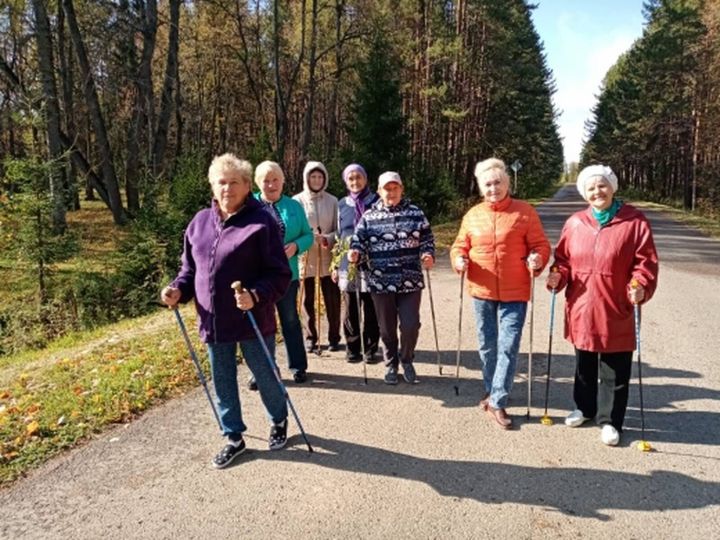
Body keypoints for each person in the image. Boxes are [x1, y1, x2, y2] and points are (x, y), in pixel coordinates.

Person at [160, 153, 291, 469]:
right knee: (222, 379)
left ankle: (279, 419)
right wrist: (177, 289)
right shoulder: (199, 222)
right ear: (212, 185)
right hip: (213, 319)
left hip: (251, 317)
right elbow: (190, 270)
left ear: (247, 186)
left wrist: (256, 295)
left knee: (264, 373)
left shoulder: (262, 222)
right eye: (222, 182)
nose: (227, 188)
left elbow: (279, 274)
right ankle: (234, 436)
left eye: (234, 182)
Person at [546, 164, 659, 446]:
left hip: (616, 306)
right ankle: (584, 408)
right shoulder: (575, 223)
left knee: (615, 370)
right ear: (585, 193)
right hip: (582, 306)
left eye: (602, 185)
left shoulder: (635, 222)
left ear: (612, 187)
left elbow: (645, 263)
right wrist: (557, 275)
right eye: (591, 188)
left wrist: (640, 284)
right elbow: (563, 260)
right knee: (584, 365)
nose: (598, 191)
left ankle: (610, 421)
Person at [450, 158, 550, 429]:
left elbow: (541, 245)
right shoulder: (473, 215)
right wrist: (459, 259)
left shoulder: (524, 212)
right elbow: (459, 246)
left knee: (508, 346)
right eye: (488, 184)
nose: (493, 188)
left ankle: (497, 400)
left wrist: (537, 259)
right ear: (481, 188)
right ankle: (491, 388)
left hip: (515, 290)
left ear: (507, 184)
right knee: (487, 345)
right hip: (481, 289)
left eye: (497, 183)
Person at [349, 171, 435, 385]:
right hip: (380, 281)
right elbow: (358, 240)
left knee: (410, 324)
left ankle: (406, 359)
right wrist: (355, 252)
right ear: (379, 191)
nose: (391, 192)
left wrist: (428, 254)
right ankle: (391, 364)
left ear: (401, 189)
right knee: (386, 327)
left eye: (395, 187)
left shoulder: (415, 213)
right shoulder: (369, 216)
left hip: (410, 280)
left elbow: (427, 238)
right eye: (387, 188)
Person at [254, 160, 314, 383]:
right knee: (261, 324)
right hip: (257, 278)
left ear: (283, 181)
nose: (271, 185)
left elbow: (308, 235)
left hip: (287, 276)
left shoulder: (294, 205)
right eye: (266, 181)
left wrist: (296, 246)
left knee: (289, 320)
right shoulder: (249, 206)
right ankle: (262, 371)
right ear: (258, 183)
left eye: (275, 180)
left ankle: (298, 366)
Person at [292, 161, 342, 353]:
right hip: (305, 257)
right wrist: (308, 238)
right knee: (306, 300)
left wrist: (328, 238)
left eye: (320, 177)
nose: (316, 180)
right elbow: (294, 228)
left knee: (332, 299)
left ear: (325, 179)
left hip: (328, 255)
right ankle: (310, 337)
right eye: (313, 176)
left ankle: (334, 337)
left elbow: (339, 229)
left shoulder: (333, 201)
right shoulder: (297, 201)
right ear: (306, 178)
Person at [335, 164, 380, 363]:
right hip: (348, 263)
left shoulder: (376, 201)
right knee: (350, 308)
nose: (355, 182)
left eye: (358, 177)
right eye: (351, 178)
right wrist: (336, 266)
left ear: (365, 178)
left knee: (372, 308)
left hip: (372, 262)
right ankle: (353, 348)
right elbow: (338, 235)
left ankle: (370, 349)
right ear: (346, 181)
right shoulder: (341, 204)